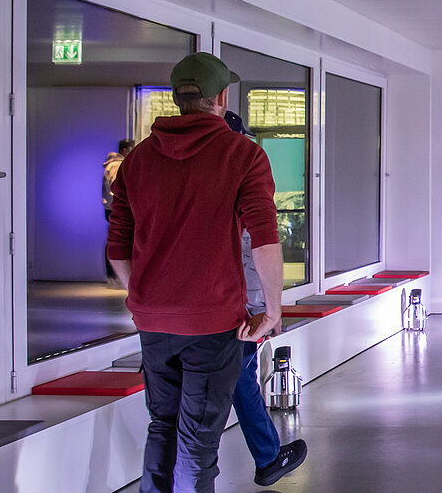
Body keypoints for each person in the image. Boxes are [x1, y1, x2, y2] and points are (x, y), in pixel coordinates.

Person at [107, 52, 284, 493]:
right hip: (212, 322)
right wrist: (273, 310)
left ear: (178, 97)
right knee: (198, 442)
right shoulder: (243, 154)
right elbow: (264, 238)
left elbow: (118, 246)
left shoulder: (138, 160)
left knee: (162, 426)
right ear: (221, 97)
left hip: (153, 323)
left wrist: (142, 297)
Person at [221, 111, 308, 487]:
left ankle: (267, 455)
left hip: (188, 308)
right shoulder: (241, 180)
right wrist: (268, 310)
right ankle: (268, 457)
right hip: (237, 305)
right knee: (241, 379)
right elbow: (258, 248)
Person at [104, 139, 135, 288]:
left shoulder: (115, 164)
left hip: (112, 206)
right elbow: (115, 187)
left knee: (116, 238)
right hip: (114, 207)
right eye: (131, 149)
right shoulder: (118, 165)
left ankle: (114, 277)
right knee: (118, 238)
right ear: (124, 151)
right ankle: (114, 277)